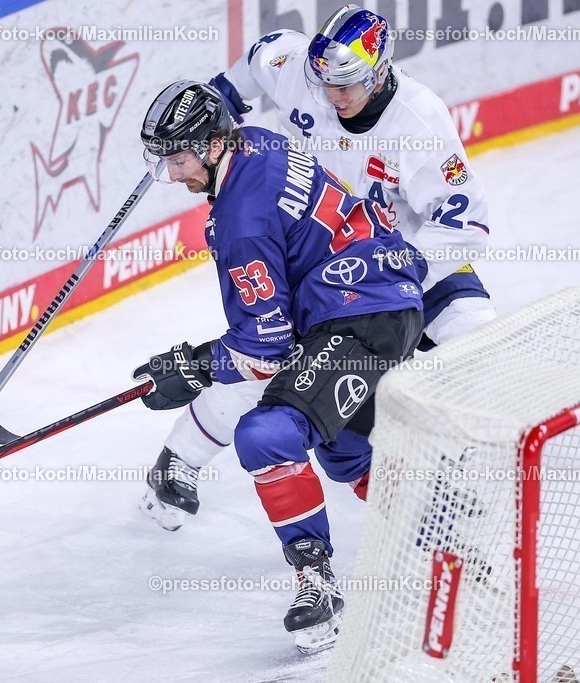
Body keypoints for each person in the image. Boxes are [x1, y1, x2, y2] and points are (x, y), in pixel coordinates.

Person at [142, 4, 496, 531]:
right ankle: (180, 459)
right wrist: (213, 108)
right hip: (313, 253)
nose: (336, 97)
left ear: (381, 70)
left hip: (406, 256)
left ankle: (461, 455)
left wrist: (396, 269)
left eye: (350, 85)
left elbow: (466, 223)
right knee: (269, 355)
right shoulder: (298, 71)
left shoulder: (421, 121)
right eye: (327, 84)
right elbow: (262, 55)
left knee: (480, 341)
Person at [133, 79, 425, 652]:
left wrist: (194, 365)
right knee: (342, 451)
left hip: (359, 317)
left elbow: (263, 347)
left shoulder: (239, 223)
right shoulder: (258, 143)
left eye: (181, 158)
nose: (172, 175)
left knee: (267, 434)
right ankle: (447, 521)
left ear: (215, 145)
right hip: (376, 298)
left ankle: (317, 582)